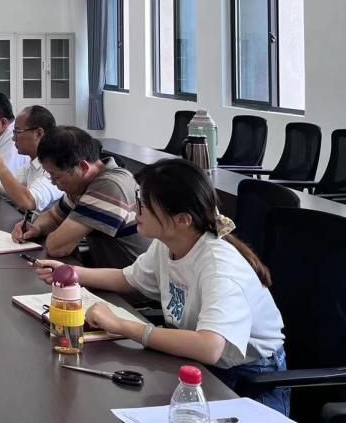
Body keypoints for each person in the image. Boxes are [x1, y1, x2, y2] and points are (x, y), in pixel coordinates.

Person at [30, 160, 289, 415]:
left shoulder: (219, 267)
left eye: (143, 204)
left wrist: (121, 326)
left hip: (247, 379)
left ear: (182, 220)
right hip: (197, 363)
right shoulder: (169, 244)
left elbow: (209, 347)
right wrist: (71, 273)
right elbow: (127, 279)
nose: (134, 208)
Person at [11, 126, 148, 268]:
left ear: (83, 167)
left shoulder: (109, 186)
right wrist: (37, 228)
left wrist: (55, 235)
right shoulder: (84, 183)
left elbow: (57, 247)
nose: (53, 182)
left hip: (134, 280)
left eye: (56, 176)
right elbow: (53, 216)